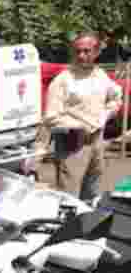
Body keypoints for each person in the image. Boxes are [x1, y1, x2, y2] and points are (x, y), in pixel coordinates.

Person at [42, 32, 124, 204]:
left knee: (92, 192)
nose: (81, 55)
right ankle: (68, 229)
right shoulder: (63, 80)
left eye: (87, 51)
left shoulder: (100, 75)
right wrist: (78, 127)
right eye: (78, 51)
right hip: (72, 144)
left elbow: (116, 95)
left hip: (97, 142)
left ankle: (88, 228)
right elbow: (51, 116)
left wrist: (107, 113)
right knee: (68, 196)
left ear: (96, 53)